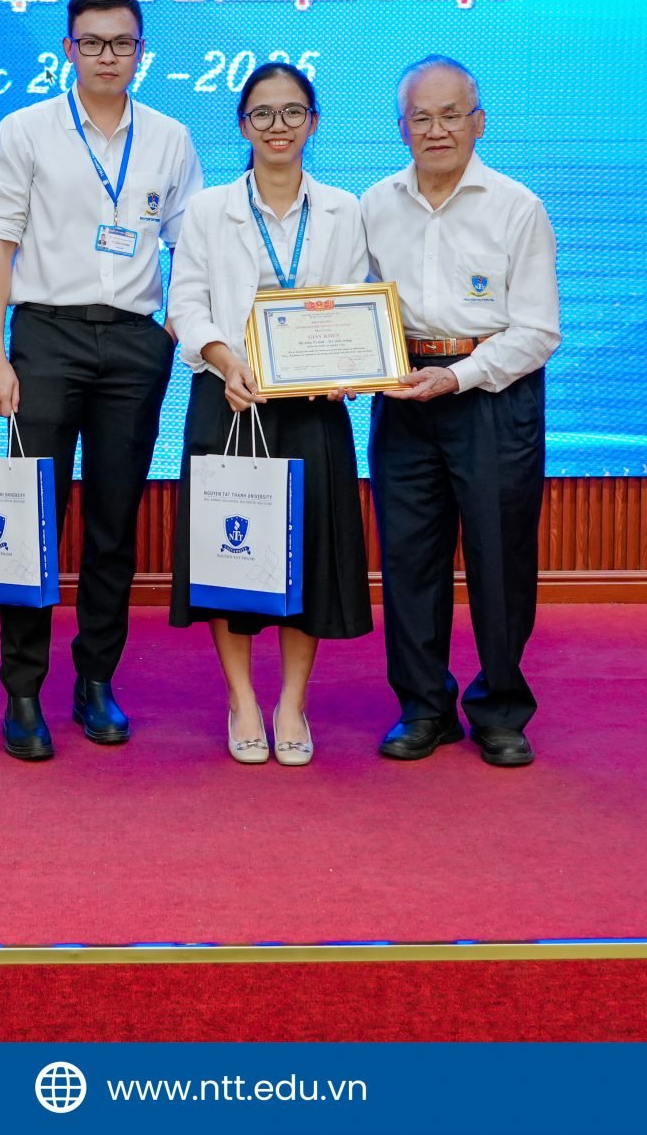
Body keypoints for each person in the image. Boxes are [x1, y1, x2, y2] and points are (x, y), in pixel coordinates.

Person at [0, 0, 203, 760]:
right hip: (46, 338)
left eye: (123, 42)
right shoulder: (25, 129)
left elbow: (191, 246)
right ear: (68, 49)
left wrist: (175, 330)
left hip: (135, 344)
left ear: (142, 51)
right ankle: (23, 690)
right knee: (32, 519)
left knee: (114, 521)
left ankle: (96, 678)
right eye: (93, 42)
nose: (109, 55)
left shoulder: (170, 137)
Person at [163, 63, 375, 766]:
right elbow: (186, 304)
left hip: (312, 407)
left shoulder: (344, 208)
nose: (277, 126)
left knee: (307, 555)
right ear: (242, 124)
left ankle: (291, 702)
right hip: (227, 398)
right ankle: (242, 700)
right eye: (262, 113)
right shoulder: (208, 209)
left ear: (313, 122)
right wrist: (226, 360)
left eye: (292, 112)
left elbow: (356, 301)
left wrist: (349, 369)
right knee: (232, 557)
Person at [360, 56, 561, 766]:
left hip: (493, 396)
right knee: (408, 558)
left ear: (479, 122)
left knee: (499, 558)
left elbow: (537, 331)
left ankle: (501, 709)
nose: (437, 129)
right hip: (402, 394)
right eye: (421, 117)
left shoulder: (517, 206)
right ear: (402, 128)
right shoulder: (374, 204)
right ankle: (424, 707)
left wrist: (458, 377)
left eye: (452, 115)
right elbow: (351, 304)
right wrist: (347, 364)